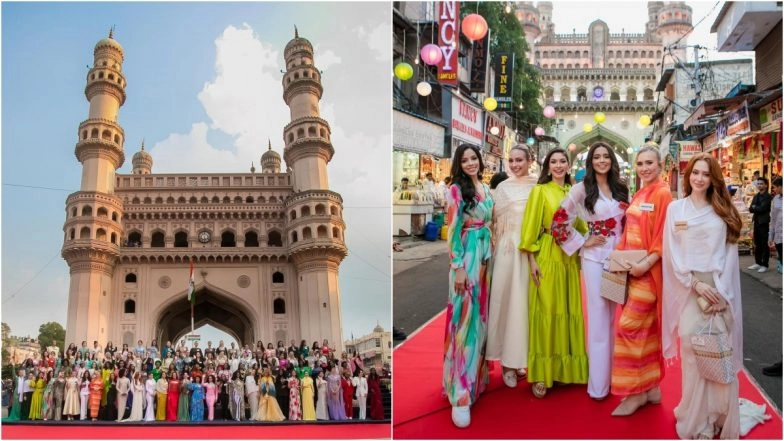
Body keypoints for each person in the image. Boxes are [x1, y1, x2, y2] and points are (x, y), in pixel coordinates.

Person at [662, 153, 744, 439]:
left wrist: (722, 295)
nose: (699, 178)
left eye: (705, 174)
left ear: (714, 179)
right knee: (691, 352)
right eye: (695, 172)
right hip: (689, 287)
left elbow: (729, 255)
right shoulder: (676, 209)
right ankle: (696, 419)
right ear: (688, 176)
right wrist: (695, 285)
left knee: (717, 351)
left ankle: (717, 416)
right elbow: (671, 253)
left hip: (718, 288)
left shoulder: (722, 210)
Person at [551, 142, 629, 400]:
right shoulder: (581, 189)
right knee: (597, 319)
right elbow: (559, 220)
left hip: (618, 259)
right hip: (595, 259)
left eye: (607, 156)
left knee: (611, 319)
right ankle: (598, 386)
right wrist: (583, 241)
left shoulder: (621, 187)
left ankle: (611, 379)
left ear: (612, 160)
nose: (602, 160)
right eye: (597, 157)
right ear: (590, 161)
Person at [520, 147, 588, 399]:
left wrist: (592, 240)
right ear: (547, 166)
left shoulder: (574, 192)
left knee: (568, 311)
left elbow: (581, 225)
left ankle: (564, 370)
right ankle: (542, 373)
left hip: (569, 259)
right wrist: (532, 260)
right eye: (554, 162)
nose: (558, 166)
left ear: (569, 166)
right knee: (547, 312)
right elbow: (530, 227)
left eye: (562, 162)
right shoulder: (540, 191)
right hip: (547, 254)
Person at [610, 143, 672, 416]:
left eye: (650, 163)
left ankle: (635, 392)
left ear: (660, 166)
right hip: (631, 271)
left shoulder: (662, 193)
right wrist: (620, 261)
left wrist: (646, 263)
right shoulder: (640, 193)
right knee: (643, 330)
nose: (645, 168)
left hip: (648, 273)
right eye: (640, 163)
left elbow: (663, 237)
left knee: (628, 327)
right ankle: (650, 389)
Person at [443, 143, 493, 428]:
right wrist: (458, 267)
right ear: (458, 164)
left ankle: (476, 380)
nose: (471, 163)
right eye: (465, 160)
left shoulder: (484, 188)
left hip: (485, 260)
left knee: (480, 322)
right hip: (467, 260)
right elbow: (451, 232)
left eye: (474, 158)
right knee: (464, 324)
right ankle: (459, 393)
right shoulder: (456, 190)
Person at [487, 144, 538, 388]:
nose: (516, 164)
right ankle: (507, 363)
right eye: (512, 160)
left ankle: (522, 359)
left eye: (520, 160)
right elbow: (492, 222)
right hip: (507, 251)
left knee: (526, 306)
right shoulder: (502, 188)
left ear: (530, 160)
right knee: (506, 304)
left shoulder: (537, 186)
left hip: (531, 252)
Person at [748, 177, 773, 272]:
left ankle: (764, 264)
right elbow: (751, 209)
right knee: (757, 243)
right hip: (757, 221)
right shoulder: (756, 196)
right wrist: (756, 207)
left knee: (764, 243)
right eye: (758, 184)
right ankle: (757, 262)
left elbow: (763, 208)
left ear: (766, 185)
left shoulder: (768, 196)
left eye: (761, 183)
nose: (759, 185)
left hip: (764, 222)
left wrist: (756, 207)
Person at [769, 176, 782, 274]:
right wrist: (771, 236)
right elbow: (773, 219)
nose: (774, 189)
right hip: (779, 234)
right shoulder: (775, 199)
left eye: (775, 187)